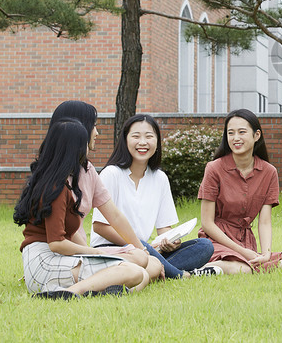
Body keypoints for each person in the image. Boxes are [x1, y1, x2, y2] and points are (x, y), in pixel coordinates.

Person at [14, 119, 152, 298]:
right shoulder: (56, 187)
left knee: (144, 275)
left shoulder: (60, 182)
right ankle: (70, 293)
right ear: (75, 148)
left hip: (57, 260)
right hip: (44, 264)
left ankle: (97, 293)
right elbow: (56, 243)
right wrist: (95, 252)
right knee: (135, 273)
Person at [42, 101, 162, 280]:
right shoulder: (53, 179)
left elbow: (114, 215)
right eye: (94, 126)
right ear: (78, 128)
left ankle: (129, 276)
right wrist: (95, 256)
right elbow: (64, 236)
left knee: (149, 262)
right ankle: (129, 278)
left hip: (84, 252)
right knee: (140, 268)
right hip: (68, 254)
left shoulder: (88, 170)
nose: (97, 132)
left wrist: (143, 251)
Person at [91, 114, 219, 278]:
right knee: (143, 245)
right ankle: (179, 275)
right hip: (114, 249)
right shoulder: (111, 174)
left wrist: (171, 241)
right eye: (136, 136)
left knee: (204, 246)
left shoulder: (160, 178)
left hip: (146, 250)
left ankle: (156, 269)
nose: (143, 142)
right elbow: (99, 226)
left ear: (157, 142)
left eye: (149, 136)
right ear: (125, 140)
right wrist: (137, 245)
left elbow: (164, 228)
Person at [197, 109, 282, 274]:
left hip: (246, 243)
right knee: (242, 269)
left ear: (256, 135)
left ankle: (241, 268)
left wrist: (266, 254)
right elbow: (207, 223)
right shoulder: (214, 169)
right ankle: (203, 269)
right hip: (216, 242)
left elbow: (265, 221)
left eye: (242, 132)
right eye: (230, 133)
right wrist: (241, 251)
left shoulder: (269, 172)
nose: (236, 138)